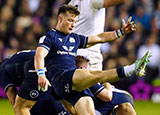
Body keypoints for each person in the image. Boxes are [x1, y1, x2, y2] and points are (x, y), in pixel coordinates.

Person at [13, 5, 151, 115]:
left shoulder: (75, 38)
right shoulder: (50, 37)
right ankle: (132, 68)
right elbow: (39, 55)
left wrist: (120, 32)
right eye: (70, 20)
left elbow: (99, 38)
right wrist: (41, 74)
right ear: (60, 19)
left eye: (75, 21)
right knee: (94, 75)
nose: (73, 25)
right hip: (62, 77)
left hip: (74, 84)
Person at [0, 50, 70, 115]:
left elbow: (13, 99)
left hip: (37, 68)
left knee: (21, 107)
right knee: (66, 102)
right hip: (56, 63)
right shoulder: (11, 61)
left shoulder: (2, 71)